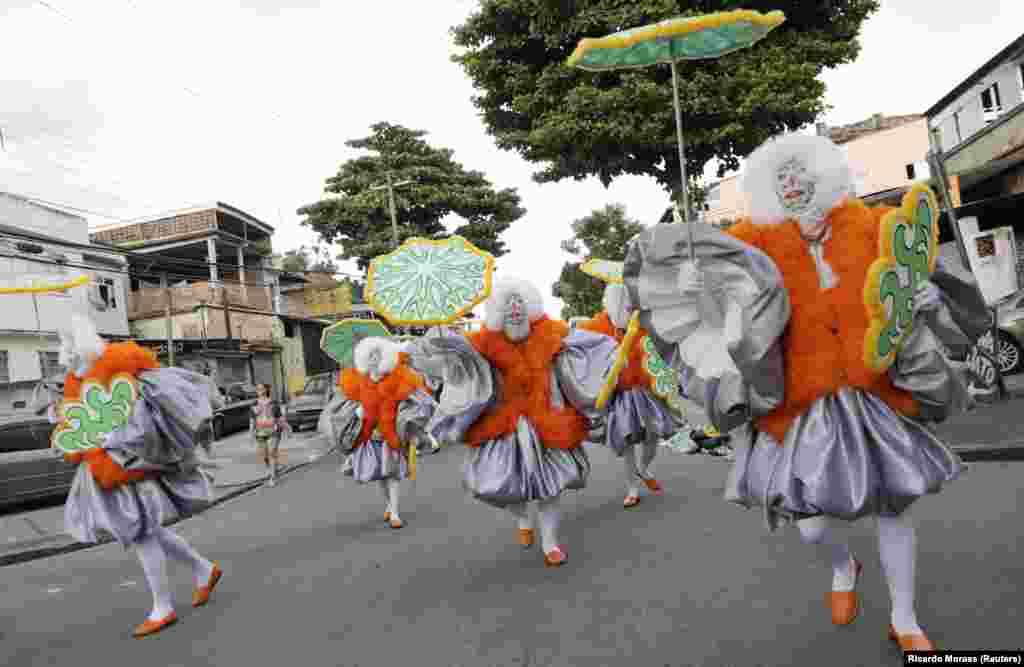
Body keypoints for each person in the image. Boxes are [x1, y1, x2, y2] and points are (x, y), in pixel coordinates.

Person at [626, 133, 990, 652]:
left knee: (894, 505)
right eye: (782, 179)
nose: (793, 185)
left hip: (872, 392)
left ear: (826, 177)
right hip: (800, 400)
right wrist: (696, 287)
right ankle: (845, 566)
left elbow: (916, 280)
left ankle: (905, 620)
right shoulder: (753, 243)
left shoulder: (872, 226)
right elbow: (727, 301)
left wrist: (927, 298)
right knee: (812, 529)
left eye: (801, 174)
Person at [409, 278, 617, 566]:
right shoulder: (480, 344)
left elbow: (594, 346)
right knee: (494, 487)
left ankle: (550, 542)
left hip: (548, 423)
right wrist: (441, 348)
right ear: (498, 312)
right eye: (508, 304)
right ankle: (521, 518)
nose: (515, 308)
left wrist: (616, 350)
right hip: (502, 426)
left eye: (520, 302)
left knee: (551, 487)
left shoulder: (553, 333)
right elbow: (451, 367)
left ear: (530, 307)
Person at [55, 309, 223, 638]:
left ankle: (163, 607)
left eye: (69, 345)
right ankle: (204, 569)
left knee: (142, 534)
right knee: (148, 531)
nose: (65, 353)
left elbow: (143, 422)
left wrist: (110, 438)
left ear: (82, 347)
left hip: (132, 468)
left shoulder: (119, 370)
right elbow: (82, 421)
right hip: (109, 470)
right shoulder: (78, 380)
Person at [576, 282, 680, 508]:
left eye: (630, 302)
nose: (627, 307)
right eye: (622, 302)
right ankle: (632, 488)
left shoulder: (644, 320)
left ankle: (644, 468)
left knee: (653, 435)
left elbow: (665, 343)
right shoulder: (597, 326)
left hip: (646, 389)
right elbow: (575, 343)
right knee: (629, 441)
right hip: (620, 393)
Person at [322, 337, 437, 528]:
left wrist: (410, 422)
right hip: (368, 436)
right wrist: (356, 411)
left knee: (392, 475)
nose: (374, 358)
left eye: (377, 354)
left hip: (391, 434)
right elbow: (343, 405)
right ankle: (389, 506)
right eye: (370, 354)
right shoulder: (357, 380)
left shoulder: (397, 377)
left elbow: (416, 401)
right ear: (364, 358)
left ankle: (395, 513)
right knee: (381, 477)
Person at [250, 383, 290, 486]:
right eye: (257, 389)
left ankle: (272, 477)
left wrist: (287, 428)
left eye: (261, 388)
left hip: (274, 431)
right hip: (260, 432)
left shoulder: (273, 403)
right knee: (264, 455)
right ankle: (273, 469)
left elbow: (279, 418)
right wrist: (251, 433)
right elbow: (252, 420)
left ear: (266, 390)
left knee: (272, 453)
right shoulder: (254, 404)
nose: (259, 390)